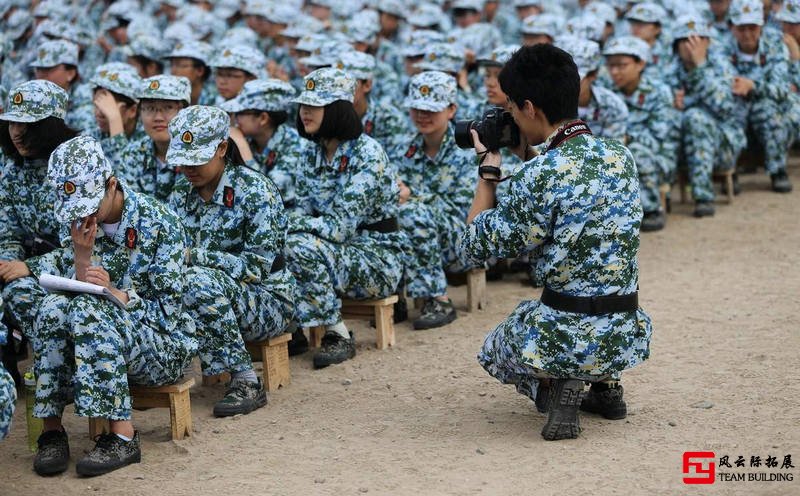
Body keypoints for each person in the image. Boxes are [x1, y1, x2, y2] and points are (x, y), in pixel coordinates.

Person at [458, 44, 652, 441]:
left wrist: (488, 174)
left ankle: (558, 385)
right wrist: (529, 154)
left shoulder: (539, 174)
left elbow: (475, 243)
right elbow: (570, 178)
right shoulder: (620, 156)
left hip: (564, 331)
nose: (509, 114)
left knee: (495, 346)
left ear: (529, 108)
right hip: (624, 331)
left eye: (512, 107)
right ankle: (606, 386)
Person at [25, 135, 196, 476]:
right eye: (75, 211)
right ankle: (52, 432)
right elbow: (73, 293)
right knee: (53, 308)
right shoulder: (79, 222)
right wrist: (81, 257)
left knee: (92, 311)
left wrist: (119, 295)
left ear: (112, 184)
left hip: (163, 345)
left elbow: (168, 314)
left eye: (89, 206)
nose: (83, 216)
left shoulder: (161, 224)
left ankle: (122, 436)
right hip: (106, 337)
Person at [167, 106, 295, 416]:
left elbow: (256, 268)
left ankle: (246, 381)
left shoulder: (256, 191)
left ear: (222, 148)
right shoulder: (181, 192)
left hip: (267, 300)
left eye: (196, 159)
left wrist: (194, 257)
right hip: (210, 296)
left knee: (196, 280)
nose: (188, 168)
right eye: (182, 160)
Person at [285, 68, 405, 368]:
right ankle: (293, 328)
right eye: (303, 105)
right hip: (334, 251)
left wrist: (287, 225)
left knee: (298, 245)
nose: (305, 112)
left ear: (337, 109)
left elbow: (338, 227)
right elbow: (301, 210)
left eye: (314, 106)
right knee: (282, 244)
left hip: (375, 258)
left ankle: (337, 335)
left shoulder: (368, 153)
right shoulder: (310, 153)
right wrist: (289, 226)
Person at [390, 71, 476, 330]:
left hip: (460, 238)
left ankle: (439, 299)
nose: (421, 115)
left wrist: (412, 196)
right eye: (416, 108)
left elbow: (464, 208)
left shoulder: (467, 149)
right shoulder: (403, 148)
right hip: (417, 232)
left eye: (430, 109)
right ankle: (395, 296)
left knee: (411, 213)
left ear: (451, 110)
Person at [0, 80, 78, 343]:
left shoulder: (75, 170)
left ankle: (58, 358)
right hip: (29, 268)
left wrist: (30, 267)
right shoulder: (13, 171)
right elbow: (8, 234)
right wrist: (7, 265)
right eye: (13, 123)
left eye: (27, 125)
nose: (17, 133)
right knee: (13, 290)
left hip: (75, 273)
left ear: (50, 126)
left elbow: (85, 247)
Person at [666, 14, 746, 216]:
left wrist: (699, 68)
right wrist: (672, 106)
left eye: (697, 39)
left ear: (708, 42)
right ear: (676, 46)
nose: (691, 46)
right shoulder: (668, 71)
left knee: (696, 117)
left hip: (724, 146)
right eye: (685, 40)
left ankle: (703, 196)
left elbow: (725, 106)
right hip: (682, 149)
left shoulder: (721, 66)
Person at [604, 36, 679, 231]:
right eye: (610, 65)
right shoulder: (606, 93)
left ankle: (652, 209)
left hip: (657, 157)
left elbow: (658, 137)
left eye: (622, 65)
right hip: (614, 154)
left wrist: (625, 138)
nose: (614, 71)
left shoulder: (659, 92)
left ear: (640, 64)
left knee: (635, 151)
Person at [721, 0, 794, 192]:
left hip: (765, 102)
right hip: (735, 100)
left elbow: (782, 88)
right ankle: (730, 170)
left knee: (771, 112)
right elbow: (720, 83)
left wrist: (753, 86)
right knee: (728, 112)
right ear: (732, 27)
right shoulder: (721, 47)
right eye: (741, 28)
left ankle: (777, 170)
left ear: (761, 25)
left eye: (752, 28)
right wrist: (739, 87)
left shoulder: (775, 44)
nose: (747, 34)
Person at [222, 78, 307, 208]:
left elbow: (268, 195)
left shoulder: (295, 145)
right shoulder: (250, 139)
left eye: (240, 113)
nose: (235, 119)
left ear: (263, 118)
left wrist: (243, 149)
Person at [117, 75, 190, 201]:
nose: (158, 117)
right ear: (140, 113)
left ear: (184, 111)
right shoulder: (132, 155)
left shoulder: (196, 156)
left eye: (168, 108)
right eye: (150, 108)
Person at [86, 64, 144, 164]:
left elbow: (125, 171)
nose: (99, 114)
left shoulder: (147, 139)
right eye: (97, 105)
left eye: (108, 108)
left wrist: (114, 120)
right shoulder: (92, 137)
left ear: (132, 110)